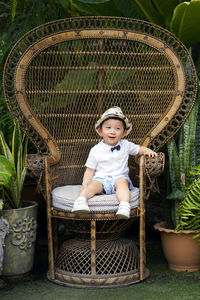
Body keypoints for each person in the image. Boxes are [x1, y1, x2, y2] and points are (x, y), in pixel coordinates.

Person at [72, 106, 157, 219]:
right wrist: (84, 186)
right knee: (92, 185)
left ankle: (124, 206)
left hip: (119, 177)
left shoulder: (126, 145)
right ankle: (81, 201)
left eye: (117, 128)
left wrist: (147, 151)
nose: (112, 131)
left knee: (122, 183)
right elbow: (90, 170)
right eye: (108, 128)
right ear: (100, 131)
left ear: (124, 133)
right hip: (101, 179)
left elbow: (139, 149)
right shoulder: (95, 150)